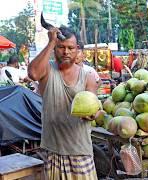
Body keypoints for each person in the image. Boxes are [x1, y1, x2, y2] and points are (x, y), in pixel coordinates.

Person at [28, 26, 98, 179]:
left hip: (80, 151)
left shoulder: (87, 76)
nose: (66, 52)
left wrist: (93, 115)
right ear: (55, 48)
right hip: (53, 150)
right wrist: (51, 42)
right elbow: (33, 73)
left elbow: (95, 106)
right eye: (61, 47)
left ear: (77, 49)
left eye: (70, 48)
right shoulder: (47, 70)